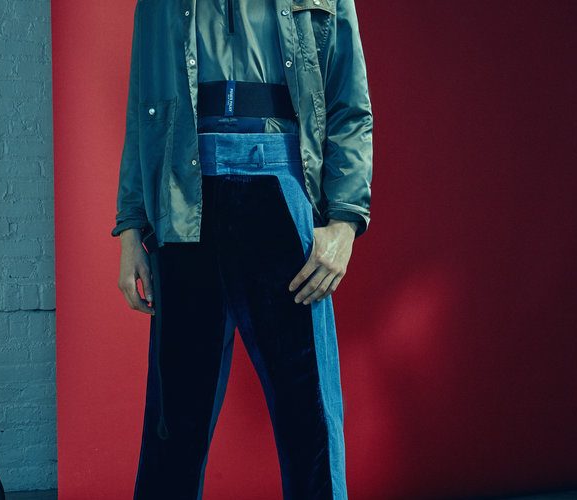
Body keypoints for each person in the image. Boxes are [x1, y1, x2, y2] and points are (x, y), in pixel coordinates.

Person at [112, 1, 372, 498]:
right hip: (184, 203)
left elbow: (349, 102)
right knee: (173, 428)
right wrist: (131, 227)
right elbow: (142, 107)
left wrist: (344, 220)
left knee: (310, 423)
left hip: (280, 188)